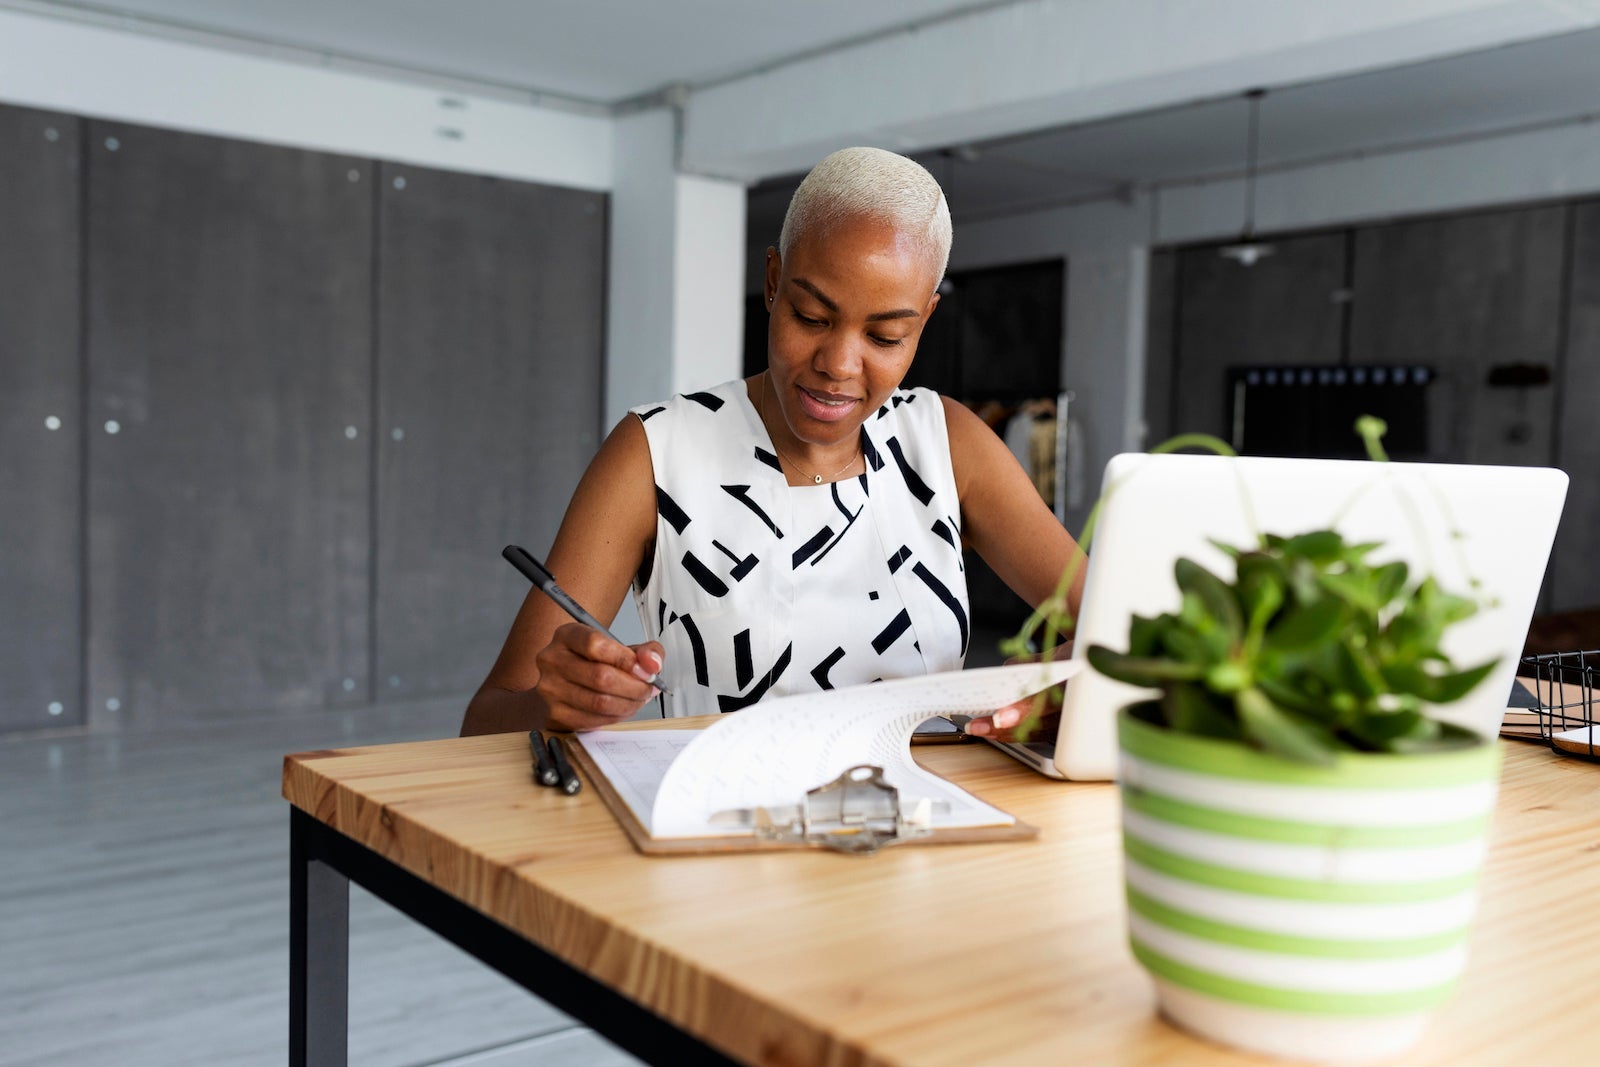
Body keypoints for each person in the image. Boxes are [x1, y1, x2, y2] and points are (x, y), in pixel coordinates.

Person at [461, 146, 1084, 738]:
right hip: (725, 833)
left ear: (923, 322)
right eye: (812, 318)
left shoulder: (946, 443)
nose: (839, 364)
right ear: (772, 281)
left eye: (886, 336)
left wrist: (1063, 685)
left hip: (923, 828)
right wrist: (555, 701)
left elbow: (1120, 629)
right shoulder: (656, 452)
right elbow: (484, 718)